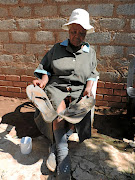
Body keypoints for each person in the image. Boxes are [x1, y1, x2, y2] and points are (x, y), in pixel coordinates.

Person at [29, 8, 99, 180]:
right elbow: (45, 68)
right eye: (74, 31)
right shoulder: (57, 49)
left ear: (86, 34)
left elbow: (92, 73)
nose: (77, 35)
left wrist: (89, 86)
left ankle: (55, 148)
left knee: (74, 119)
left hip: (78, 90)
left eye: (81, 33)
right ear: (68, 31)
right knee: (60, 116)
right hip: (57, 87)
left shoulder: (90, 53)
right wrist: (43, 81)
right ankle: (64, 165)